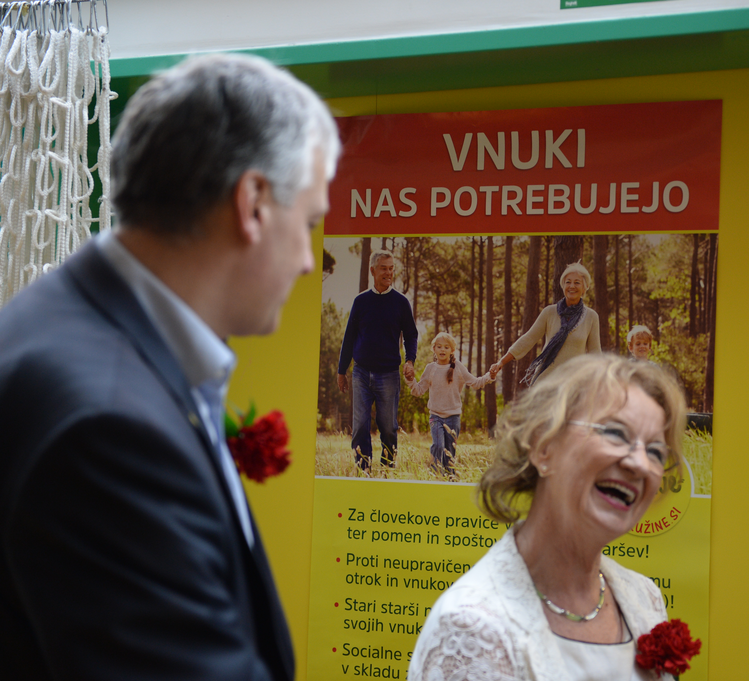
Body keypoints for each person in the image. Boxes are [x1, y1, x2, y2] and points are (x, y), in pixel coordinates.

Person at [0, 54, 339, 679]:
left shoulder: (67, 335)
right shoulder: (108, 424)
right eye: (311, 223)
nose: (307, 262)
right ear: (254, 203)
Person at [409, 353, 687, 680]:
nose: (640, 464)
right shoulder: (471, 627)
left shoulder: (645, 599)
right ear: (544, 447)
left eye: (655, 451)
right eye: (615, 433)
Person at [336, 250, 418, 472]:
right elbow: (349, 337)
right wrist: (341, 370)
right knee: (360, 425)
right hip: (361, 373)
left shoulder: (400, 302)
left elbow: (411, 334)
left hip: (389, 374)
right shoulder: (361, 301)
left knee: (388, 427)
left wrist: (410, 360)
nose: (389, 273)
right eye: (384, 268)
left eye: (391, 268)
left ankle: (388, 469)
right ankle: (364, 470)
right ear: (373, 270)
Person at [490, 263, 600, 386]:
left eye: (577, 283)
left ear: (585, 288)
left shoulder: (591, 317)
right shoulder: (549, 312)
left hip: (572, 385)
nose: (572, 286)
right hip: (546, 382)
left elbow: (595, 352)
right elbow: (529, 338)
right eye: (568, 282)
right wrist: (501, 362)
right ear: (563, 286)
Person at [406, 332, 493, 477]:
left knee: (449, 453)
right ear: (434, 349)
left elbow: (475, 383)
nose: (442, 350)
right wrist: (410, 379)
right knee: (438, 446)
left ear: (452, 350)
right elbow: (418, 390)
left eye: (446, 347)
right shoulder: (430, 369)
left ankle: (450, 479)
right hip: (436, 416)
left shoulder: (457, 367)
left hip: (453, 417)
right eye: (439, 346)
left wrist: (490, 376)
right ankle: (434, 475)